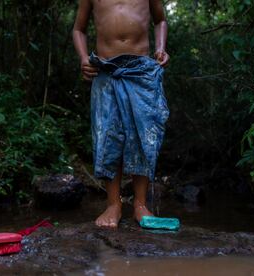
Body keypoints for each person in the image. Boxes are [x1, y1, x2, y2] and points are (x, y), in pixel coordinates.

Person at [73, 0, 170, 228]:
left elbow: (161, 20)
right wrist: (83, 58)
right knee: (109, 136)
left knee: (143, 135)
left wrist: (161, 48)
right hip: (106, 71)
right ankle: (113, 204)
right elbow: (79, 29)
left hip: (141, 71)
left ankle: (140, 204)